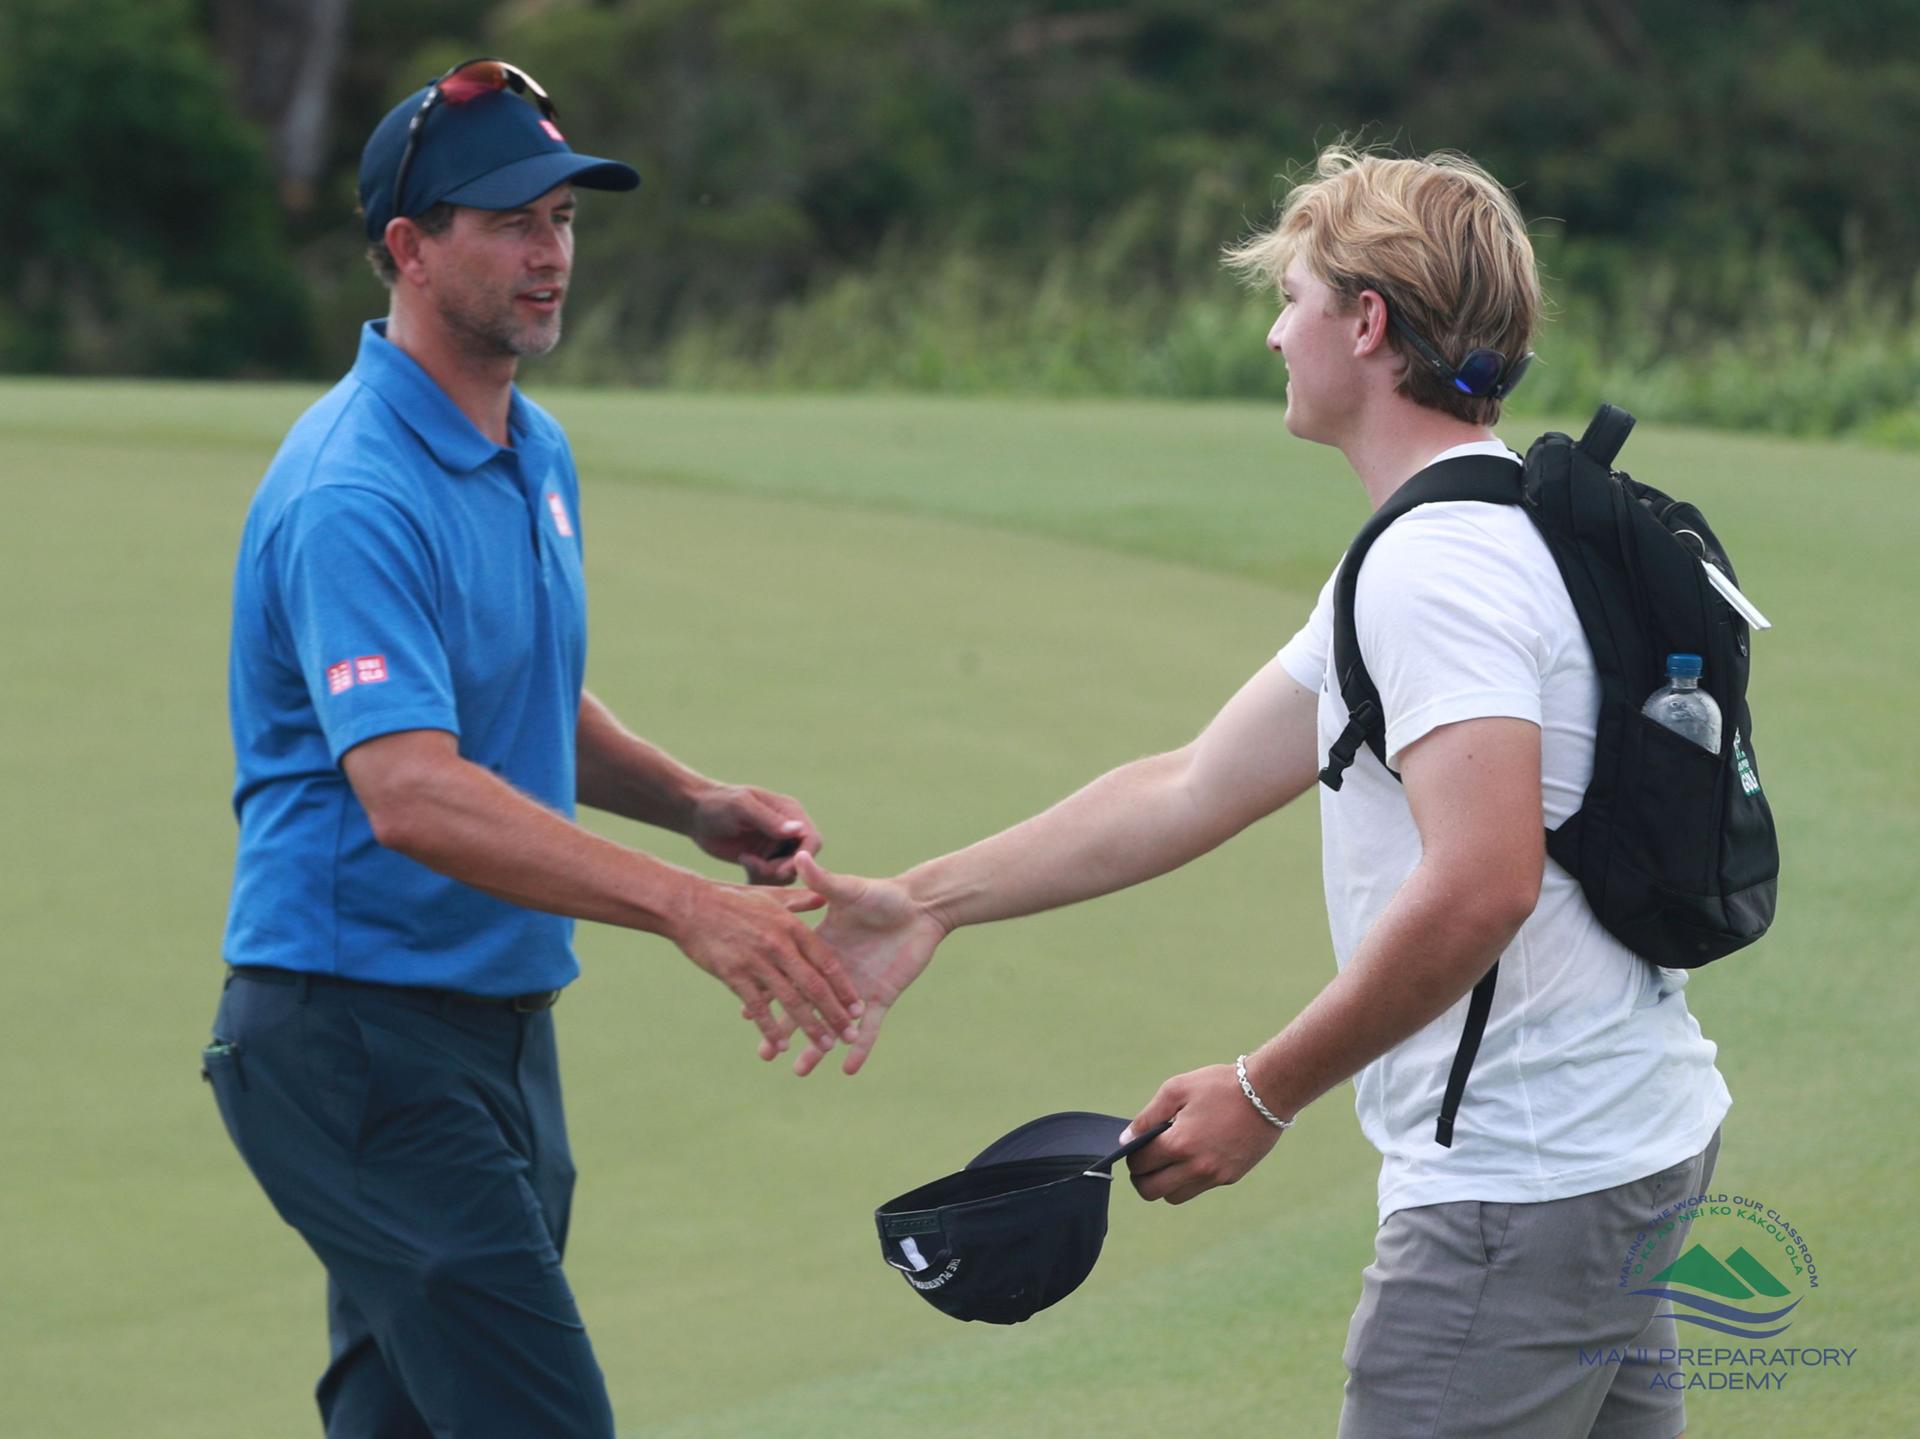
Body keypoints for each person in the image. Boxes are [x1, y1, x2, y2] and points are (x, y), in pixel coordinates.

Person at [790, 146, 1730, 1439]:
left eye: (1292, 300)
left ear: (1367, 322)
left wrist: (1265, 1088)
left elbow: (1484, 883)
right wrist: (926, 902)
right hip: (1625, 1143)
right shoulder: (1492, 528)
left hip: (1521, 1188)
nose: (1277, 335)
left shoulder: (1434, 575)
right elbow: (1191, 785)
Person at [205, 59, 862, 1438]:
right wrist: (687, 910)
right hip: (353, 1034)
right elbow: (411, 789)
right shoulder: (351, 489)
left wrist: (691, 804)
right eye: (511, 223)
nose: (551, 254)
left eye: (562, 219)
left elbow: (517, 692)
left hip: (495, 1031)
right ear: (408, 247)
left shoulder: (530, 447)